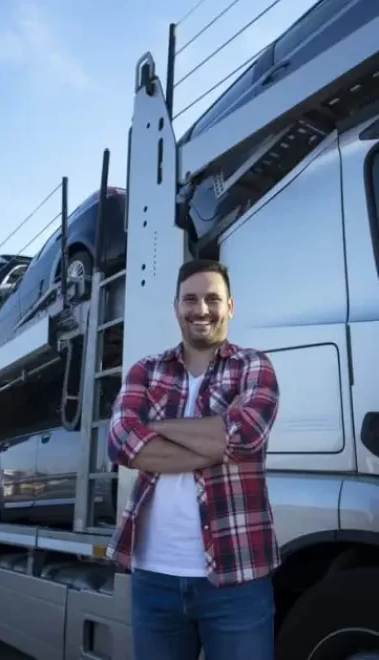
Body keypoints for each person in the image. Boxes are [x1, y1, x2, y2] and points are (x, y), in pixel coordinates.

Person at [106, 259, 280, 660]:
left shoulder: (254, 366)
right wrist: (213, 439)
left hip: (237, 578)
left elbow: (244, 435)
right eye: (190, 299)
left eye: (212, 298)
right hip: (153, 579)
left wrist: (156, 426)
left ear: (230, 307)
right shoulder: (146, 371)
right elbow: (120, 442)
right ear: (175, 308)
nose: (201, 309)